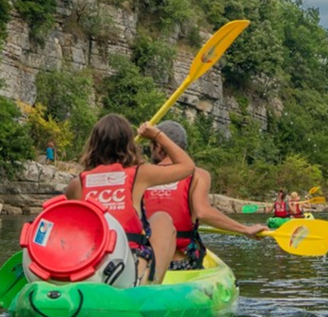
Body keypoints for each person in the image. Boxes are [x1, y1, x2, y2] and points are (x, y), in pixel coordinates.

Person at [63, 114, 194, 285]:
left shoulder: (77, 184)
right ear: (128, 144)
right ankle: (151, 286)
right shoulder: (139, 174)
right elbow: (188, 166)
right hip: (128, 273)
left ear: (93, 144)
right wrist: (157, 135)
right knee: (163, 220)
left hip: (91, 268)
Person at [142, 121, 268, 269]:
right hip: (181, 262)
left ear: (158, 146)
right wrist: (245, 229)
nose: (151, 152)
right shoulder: (198, 175)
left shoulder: (141, 174)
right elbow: (203, 212)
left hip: (145, 261)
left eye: (151, 146)